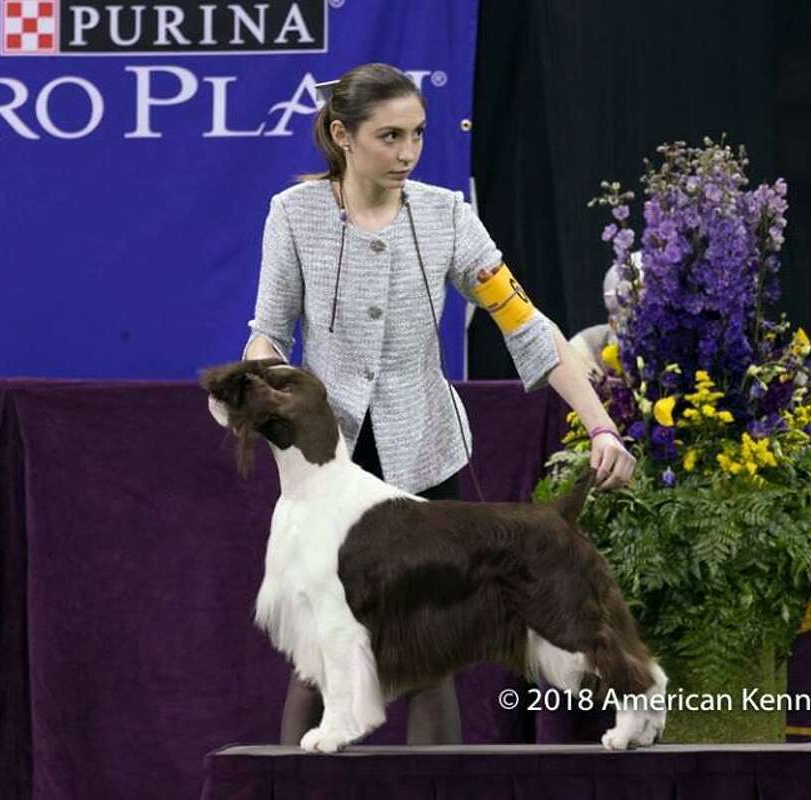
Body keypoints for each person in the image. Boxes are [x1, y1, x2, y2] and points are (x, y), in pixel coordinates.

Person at [242, 63, 636, 746]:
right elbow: (268, 331)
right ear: (342, 135)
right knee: (317, 663)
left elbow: (525, 322)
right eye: (389, 136)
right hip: (327, 461)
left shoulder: (448, 215)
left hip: (421, 452)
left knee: (428, 657)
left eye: (417, 135)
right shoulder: (293, 214)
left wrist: (600, 424)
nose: (408, 153)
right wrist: (264, 389)